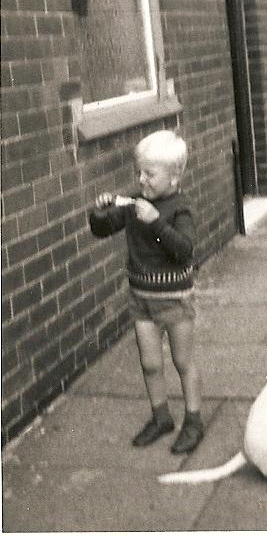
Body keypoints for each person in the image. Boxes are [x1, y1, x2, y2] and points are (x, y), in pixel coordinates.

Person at [89, 129, 203, 454]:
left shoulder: (180, 208)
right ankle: (161, 416)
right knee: (150, 363)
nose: (141, 180)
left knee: (183, 361)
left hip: (174, 299)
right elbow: (103, 229)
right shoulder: (133, 203)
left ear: (174, 175)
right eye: (139, 172)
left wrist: (155, 223)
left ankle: (193, 420)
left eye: (150, 174)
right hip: (141, 299)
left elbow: (184, 250)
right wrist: (99, 211)